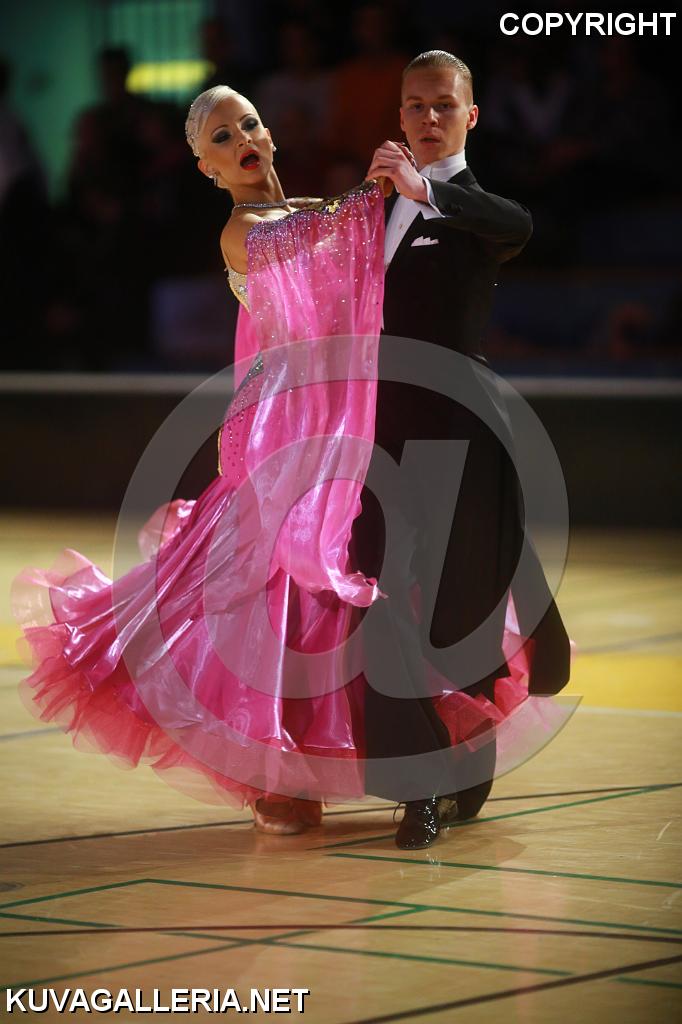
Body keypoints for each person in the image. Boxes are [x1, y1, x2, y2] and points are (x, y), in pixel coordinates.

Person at [10, 85, 387, 836]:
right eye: (220, 138)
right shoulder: (246, 230)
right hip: (277, 421)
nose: (239, 139)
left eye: (247, 124)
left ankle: (310, 755)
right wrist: (376, 192)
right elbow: (319, 232)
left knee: (318, 581)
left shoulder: (313, 210)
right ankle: (272, 768)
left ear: (270, 135)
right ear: (206, 169)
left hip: (335, 417)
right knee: (271, 584)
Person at [351, 50, 572, 849]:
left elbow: (521, 225)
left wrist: (427, 191)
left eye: (443, 104)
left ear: (470, 115)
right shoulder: (377, 208)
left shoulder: (471, 209)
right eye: (415, 105)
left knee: (457, 616)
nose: (428, 117)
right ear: (399, 117)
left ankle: (468, 760)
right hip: (379, 434)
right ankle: (420, 786)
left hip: (459, 432)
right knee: (374, 603)